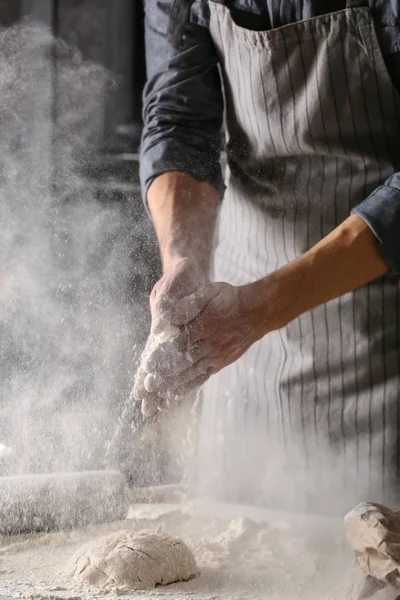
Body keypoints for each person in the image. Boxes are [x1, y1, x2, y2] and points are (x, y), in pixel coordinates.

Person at [134, 0, 400, 514]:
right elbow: (179, 122)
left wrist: (261, 309)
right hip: (241, 351)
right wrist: (183, 262)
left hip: (382, 344)